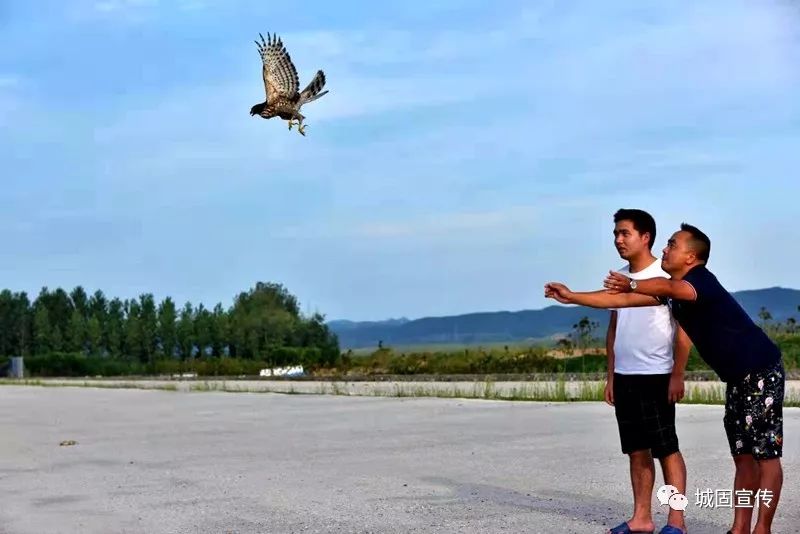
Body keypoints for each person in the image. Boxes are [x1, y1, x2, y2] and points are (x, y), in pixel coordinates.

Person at [544, 223, 785, 534]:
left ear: (691, 257)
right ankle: (739, 529)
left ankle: (762, 528)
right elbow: (621, 302)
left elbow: (668, 289)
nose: (665, 248)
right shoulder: (673, 291)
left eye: (672, 244)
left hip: (761, 370)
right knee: (743, 456)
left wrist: (631, 284)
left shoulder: (700, 281)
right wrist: (572, 296)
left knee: (765, 455)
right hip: (737, 379)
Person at [597, 209, 692, 534]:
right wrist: (611, 375)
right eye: (615, 234)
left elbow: (684, 328)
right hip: (625, 376)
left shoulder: (665, 275)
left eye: (625, 233)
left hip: (657, 374)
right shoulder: (618, 277)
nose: (618, 240)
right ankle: (641, 518)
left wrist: (678, 373)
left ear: (645, 236)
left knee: (666, 448)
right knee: (636, 449)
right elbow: (613, 328)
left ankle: (676, 521)